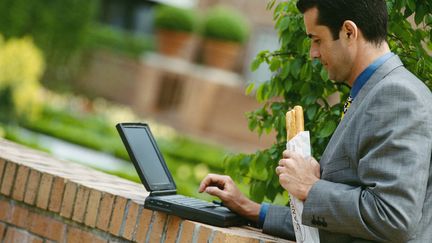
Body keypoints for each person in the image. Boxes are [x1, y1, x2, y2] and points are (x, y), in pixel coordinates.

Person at [198, 0, 432, 242]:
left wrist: (310, 187)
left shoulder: (397, 96)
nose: (313, 53)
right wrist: (250, 208)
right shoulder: (372, 92)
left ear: (349, 32)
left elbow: (393, 217)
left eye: (317, 39)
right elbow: (343, 223)